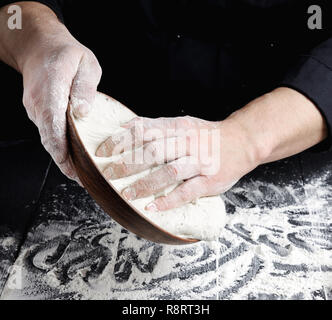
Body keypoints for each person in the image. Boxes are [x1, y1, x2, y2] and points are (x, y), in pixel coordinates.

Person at [0, 1, 331, 212]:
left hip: (287, 149)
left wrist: (248, 137)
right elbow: (12, 11)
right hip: (66, 136)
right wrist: (38, 41)